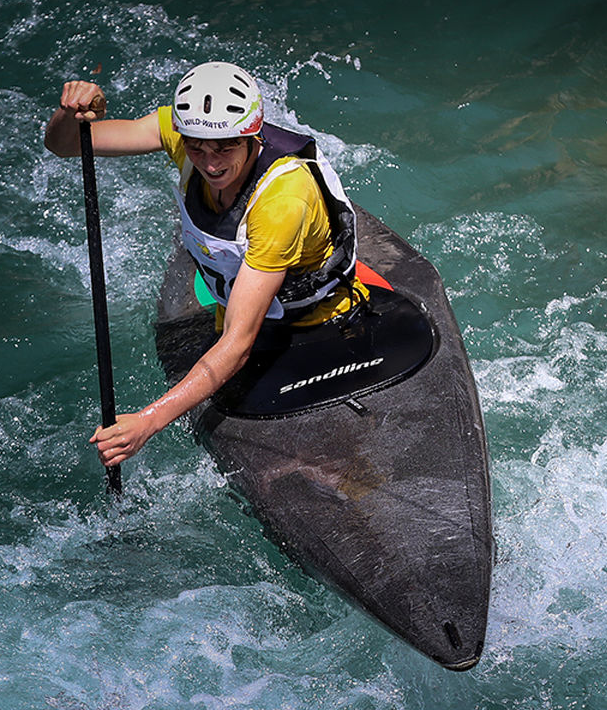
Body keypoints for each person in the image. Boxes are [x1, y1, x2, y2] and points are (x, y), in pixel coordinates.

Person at [44, 61, 367, 468]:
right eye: (196, 147)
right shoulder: (182, 137)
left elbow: (237, 341)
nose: (209, 163)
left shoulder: (282, 201)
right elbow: (68, 144)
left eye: (225, 148)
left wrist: (147, 421)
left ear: (252, 134)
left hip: (319, 331)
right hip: (244, 307)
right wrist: (71, 114)